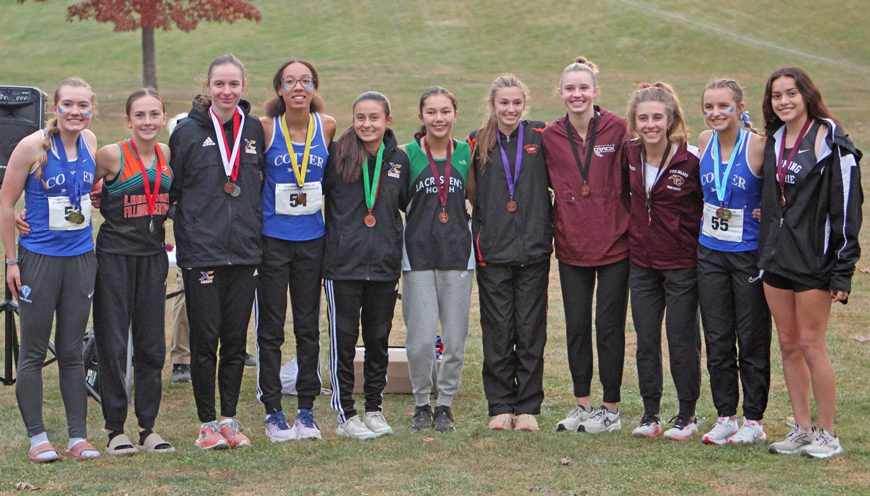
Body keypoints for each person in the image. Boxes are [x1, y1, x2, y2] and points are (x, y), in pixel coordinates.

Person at [759, 67, 862, 459]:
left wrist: (843, 268)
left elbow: (847, 207)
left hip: (815, 260)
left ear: (807, 95)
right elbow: (773, 197)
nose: (783, 101)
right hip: (776, 258)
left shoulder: (831, 139)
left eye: (791, 94)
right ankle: (801, 429)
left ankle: (827, 434)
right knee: (787, 344)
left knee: (810, 344)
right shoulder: (773, 139)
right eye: (776, 96)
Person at [0, 77, 101, 462]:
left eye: (83, 106)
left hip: (80, 258)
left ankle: (78, 436)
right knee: (34, 350)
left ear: (92, 109)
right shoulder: (32, 146)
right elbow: (6, 204)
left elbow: (83, 193)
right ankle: (37, 437)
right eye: (68, 105)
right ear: (54, 108)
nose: (75, 113)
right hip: (38, 259)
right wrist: (12, 259)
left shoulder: (91, 143)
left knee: (73, 350)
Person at [168, 54, 265, 450]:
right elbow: (173, 191)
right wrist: (186, 230)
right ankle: (206, 423)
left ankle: (229, 419)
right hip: (203, 253)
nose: (227, 91)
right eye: (219, 84)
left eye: (234, 84)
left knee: (235, 341)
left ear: (243, 87)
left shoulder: (254, 128)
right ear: (208, 87)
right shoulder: (186, 132)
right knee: (205, 340)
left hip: (244, 251)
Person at [542, 57, 629, 434]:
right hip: (572, 244)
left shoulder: (619, 129)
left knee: (608, 325)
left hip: (615, 245)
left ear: (596, 91)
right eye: (570, 89)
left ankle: (610, 408)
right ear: (560, 93)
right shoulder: (549, 136)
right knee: (577, 326)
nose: (577, 94)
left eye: (583, 88)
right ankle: (582, 404)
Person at [90, 88, 175, 455]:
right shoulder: (110, 155)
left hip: (152, 256)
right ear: (127, 120)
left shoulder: (165, 153)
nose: (147, 122)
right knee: (112, 341)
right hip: (114, 256)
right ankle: (114, 429)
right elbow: (82, 188)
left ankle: (148, 426)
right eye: (140, 115)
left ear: (163, 118)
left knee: (151, 343)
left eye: (154, 114)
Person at [256, 58, 336, 441]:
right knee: (270, 330)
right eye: (290, 81)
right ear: (279, 89)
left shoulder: (328, 126)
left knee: (307, 328)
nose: (298, 87)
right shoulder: (267, 128)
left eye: (306, 80)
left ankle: (306, 409)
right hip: (273, 240)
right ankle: (273, 410)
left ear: (314, 86)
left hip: (312, 240)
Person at [323, 91, 408, 440]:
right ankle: (346, 414)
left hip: (384, 266)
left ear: (387, 120)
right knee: (343, 341)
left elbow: (407, 205)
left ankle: (374, 408)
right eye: (360, 117)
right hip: (343, 266)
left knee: (378, 339)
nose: (367, 124)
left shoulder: (399, 160)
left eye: (374, 117)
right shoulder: (338, 155)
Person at [468, 75, 549, 432]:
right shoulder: (475, 141)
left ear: (524, 104)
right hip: (493, 251)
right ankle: (500, 405)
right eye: (504, 103)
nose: (510, 109)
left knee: (530, 329)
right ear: (493, 105)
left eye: (516, 103)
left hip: (533, 249)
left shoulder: (540, 138)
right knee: (498, 330)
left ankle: (528, 406)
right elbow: (469, 189)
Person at [624, 82, 703, 440]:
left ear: (671, 119)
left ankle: (687, 414)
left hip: (681, 264)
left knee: (682, 339)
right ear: (635, 121)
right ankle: (650, 413)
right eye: (643, 118)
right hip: (641, 263)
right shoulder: (628, 155)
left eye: (657, 117)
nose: (650, 124)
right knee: (645, 340)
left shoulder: (691, 159)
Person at [695, 79, 772, 446]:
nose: (715, 113)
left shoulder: (757, 145)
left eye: (723, 106)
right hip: (709, 252)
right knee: (718, 336)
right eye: (709, 106)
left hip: (748, 255)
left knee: (752, 337)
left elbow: (780, 193)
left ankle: (754, 419)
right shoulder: (704, 142)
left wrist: (767, 212)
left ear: (740, 108)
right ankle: (726, 415)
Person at [402, 87, 473, 433]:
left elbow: (475, 196)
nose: (439, 118)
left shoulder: (466, 154)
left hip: (459, 256)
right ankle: (420, 404)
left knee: (455, 339)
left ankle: (444, 404)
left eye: (445, 111)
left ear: (455, 115)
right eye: (431, 112)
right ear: (421, 117)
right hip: (417, 257)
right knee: (419, 339)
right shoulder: (408, 155)